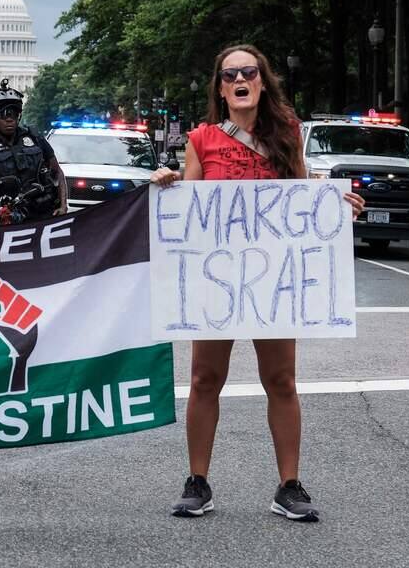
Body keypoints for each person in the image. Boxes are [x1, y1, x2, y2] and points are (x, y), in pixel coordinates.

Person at [151, 44, 363, 522]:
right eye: (230, 75)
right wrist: (169, 186)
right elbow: (191, 213)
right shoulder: (201, 139)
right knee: (205, 378)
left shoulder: (287, 134)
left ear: (262, 81)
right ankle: (197, 481)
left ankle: (289, 484)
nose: (240, 80)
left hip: (273, 281)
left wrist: (335, 206)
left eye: (248, 72)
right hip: (219, 281)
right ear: (220, 87)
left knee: (281, 380)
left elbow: (304, 197)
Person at [0, 78, 67, 223]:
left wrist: (63, 206)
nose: (9, 119)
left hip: (45, 217)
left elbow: (57, 172)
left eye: (14, 113)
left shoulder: (36, 139)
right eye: (3, 114)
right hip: (9, 223)